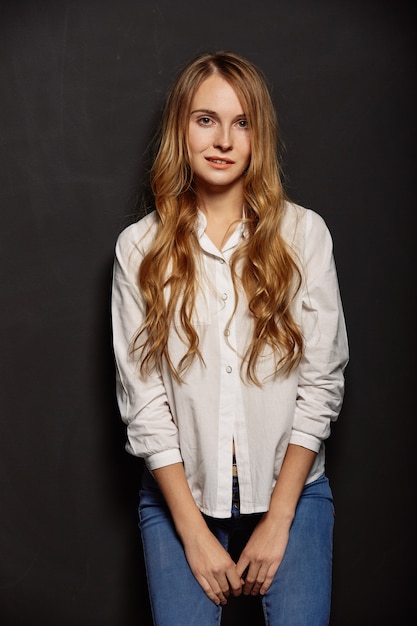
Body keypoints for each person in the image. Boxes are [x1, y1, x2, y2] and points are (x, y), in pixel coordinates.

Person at [111, 51, 349, 626]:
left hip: (293, 493)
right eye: (205, 119)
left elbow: (321, 381)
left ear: (258, 136)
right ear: (181, 130)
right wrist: (191, 531)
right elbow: (144, 403)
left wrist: (280, 519)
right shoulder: (138, 248)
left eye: (241, 122)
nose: (223, 139)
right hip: (180, 502)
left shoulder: (304, 234)